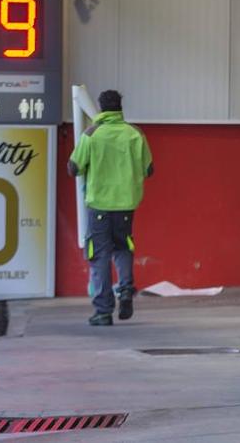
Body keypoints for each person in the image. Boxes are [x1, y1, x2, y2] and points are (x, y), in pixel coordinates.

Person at [68, 90, 154, 326]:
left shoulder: (91, 134)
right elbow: (149, 169)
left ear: (101, 107)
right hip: (126, 204)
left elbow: (73, 168)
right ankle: (126, 289)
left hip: (99, 205)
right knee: (123, 246)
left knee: (100, 256)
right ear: (120, 107)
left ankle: (103, 311)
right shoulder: (135, 134)